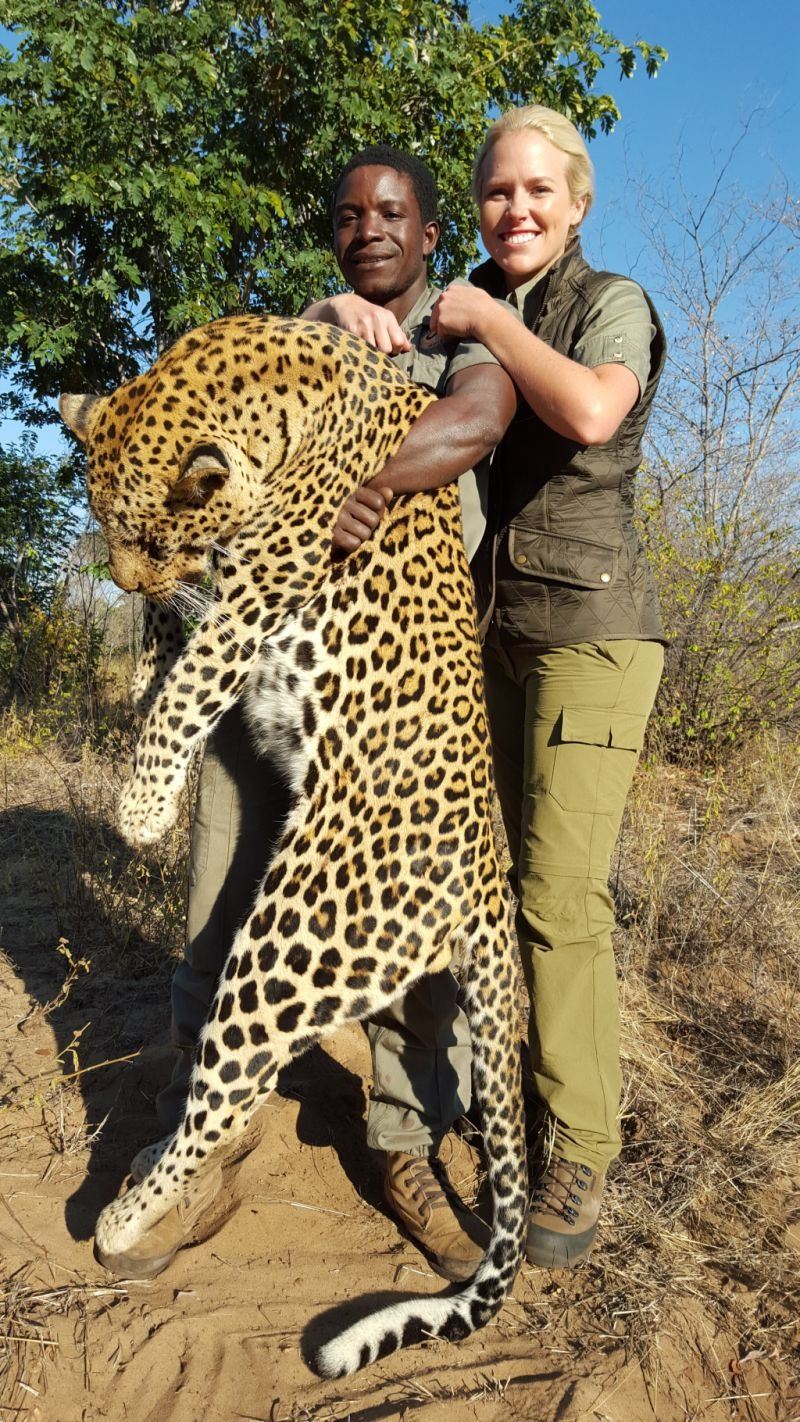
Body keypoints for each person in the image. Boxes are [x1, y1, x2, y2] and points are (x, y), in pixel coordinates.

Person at [125, 146, 517, 1281]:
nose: (368, 229)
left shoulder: (464, 337)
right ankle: (204, 1142)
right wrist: (317, 326)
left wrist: (364, 481)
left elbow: (476, 422)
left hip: (391, 695)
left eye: (391, 212)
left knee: (412, 935)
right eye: (347, 215)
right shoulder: (301, 333)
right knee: (219, 896)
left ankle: (402, 1145)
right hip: (259, 663)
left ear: (430, 234)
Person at [324, 105, 667, 1271]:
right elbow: (372, 345)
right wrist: (333, 316)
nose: (513, 210)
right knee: (479, 887)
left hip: (588, 630)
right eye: (494, 192)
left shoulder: (605, 302)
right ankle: (494, 1101)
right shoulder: (458, 300)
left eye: (535, 191)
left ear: (576, 202)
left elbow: (590, 411)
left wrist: (483, 321)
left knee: (556, 898)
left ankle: (579, 1146)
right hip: (483, 634)